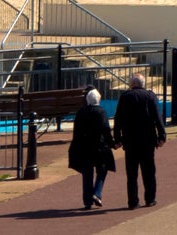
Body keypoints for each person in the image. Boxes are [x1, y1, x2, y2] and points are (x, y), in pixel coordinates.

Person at [112, 72, 167, 209]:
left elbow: (118, 120)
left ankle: (133, 201)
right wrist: (162, 136)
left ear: (132, 84)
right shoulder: (150, 96)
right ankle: (150, 199)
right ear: (143, 84)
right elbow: (157, 118)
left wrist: (117, 139)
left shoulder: (125, 97)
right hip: (147, 140)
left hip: (130, 141)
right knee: (149, 172)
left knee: (132, 174)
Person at [67, 87, 115, 209]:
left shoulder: (81, 112)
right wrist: (112, 143)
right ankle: (97, 193)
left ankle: (87, 200)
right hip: (99, 146)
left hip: (84, 147)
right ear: (98, 100)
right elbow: (106, 130)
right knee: (102, 170)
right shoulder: (101, 111)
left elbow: (76, 132)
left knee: (87, 173)